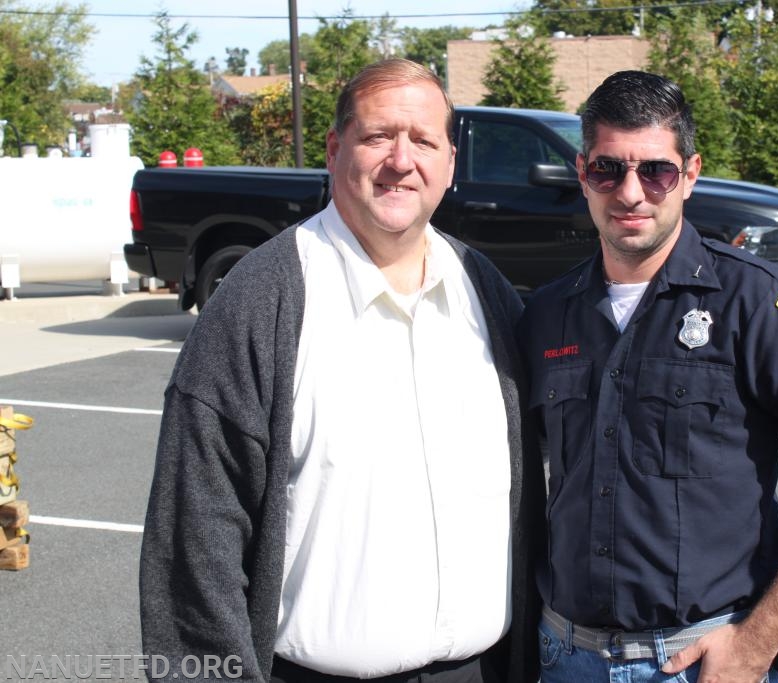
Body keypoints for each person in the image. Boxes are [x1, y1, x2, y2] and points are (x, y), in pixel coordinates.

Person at [140, 58, 545, 683]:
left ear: (450, 164)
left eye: (424, 141)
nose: (402, 160)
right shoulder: (262, 302)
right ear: (335, 149)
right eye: (379, 136)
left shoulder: (484, 293)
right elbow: (195, 545)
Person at [517, 70, 778, 683]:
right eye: (608, 170)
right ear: (583, 173)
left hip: (698, 663)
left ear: (690, 175)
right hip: (566, 655)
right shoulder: (547, 313)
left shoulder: (760, 302)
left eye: (656, 171)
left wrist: (758, 641)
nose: (631, 193)